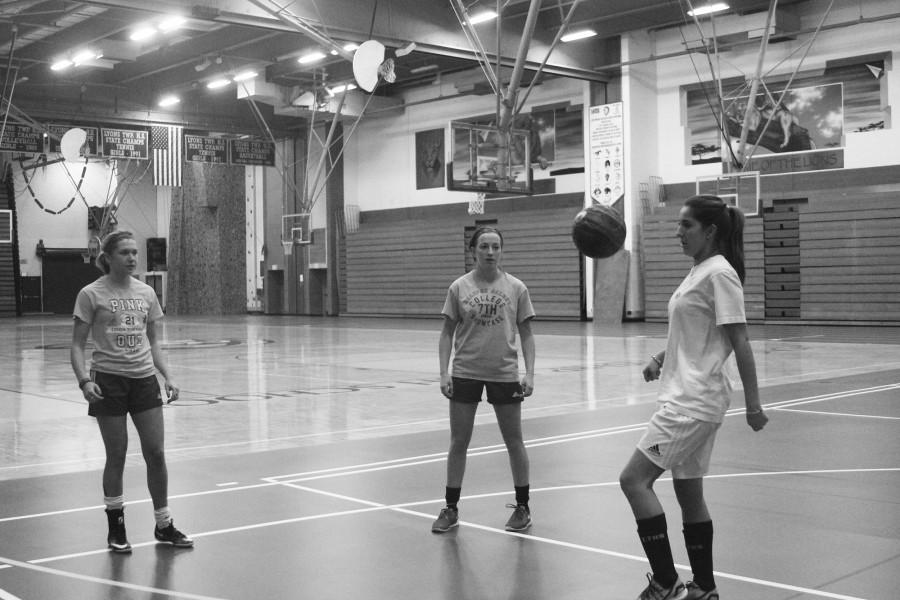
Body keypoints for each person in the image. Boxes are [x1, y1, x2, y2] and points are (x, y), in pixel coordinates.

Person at [619, 195, 768, 600]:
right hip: (688, 394)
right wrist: (660, 357)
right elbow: (701, 331)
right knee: (689, 493)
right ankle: (703, 587)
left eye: (686, 225)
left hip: (692, 401)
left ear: (711, 231)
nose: (678, 232)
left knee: (633, 480)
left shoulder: (719, 274)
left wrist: (754, 405)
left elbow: (740, 340)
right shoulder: (700, 270)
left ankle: (666, 583)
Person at [70, 230, 193, 553]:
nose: (132, 258)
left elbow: (153, 340)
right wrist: (85, 381)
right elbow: (77, 345)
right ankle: (117, 526)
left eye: (135, 252)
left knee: (156, 453)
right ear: (108, 258)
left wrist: (167, 375)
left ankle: (164, 524)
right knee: (118, 454)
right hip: (108, 381)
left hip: (143, 380)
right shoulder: (90, 294)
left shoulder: (146, 293)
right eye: (124, 252)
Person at [431, 226, 536, 534]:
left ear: (501, 251)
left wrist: (529, 372)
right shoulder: (458, 287)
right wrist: (443, 372)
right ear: (473, 251)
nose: (490, 252)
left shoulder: (517, 288)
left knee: (514, 441)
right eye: (484, 247)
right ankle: (450, 508)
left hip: (504, 373)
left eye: (496, 247)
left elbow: (527, 335)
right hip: (465, 372)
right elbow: (446, 333)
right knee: (458, 442)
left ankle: (523, 506)